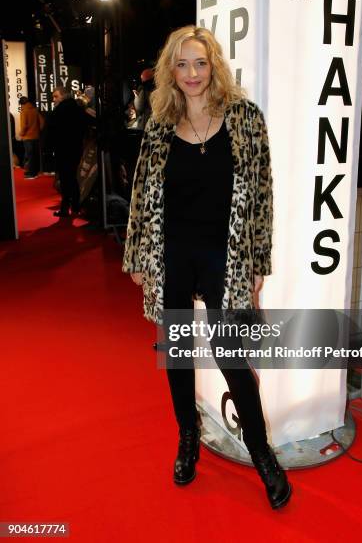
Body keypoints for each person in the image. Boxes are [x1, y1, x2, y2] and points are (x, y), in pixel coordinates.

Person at [122, 26, 292, 510]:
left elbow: (262, 196)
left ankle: (261, 452)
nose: (192, 74)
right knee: (177, 354)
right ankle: (188, 440)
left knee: (232, 358)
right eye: (182, 64)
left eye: (199, 63)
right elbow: (141, 195)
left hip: (225, 255)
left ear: (213, 64)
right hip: (172, 252)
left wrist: (257, 259)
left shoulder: (244, 119)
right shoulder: (158, 124)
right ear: (169, 71)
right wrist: (138, 257)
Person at [48, 86, 87, 217]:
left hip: (62, 150)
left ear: (63, 96)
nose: (53, 100)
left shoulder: (59, 111)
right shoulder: (78, 109)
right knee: (72, 177)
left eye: (55, 96)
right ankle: (75, 206)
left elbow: (51, 132)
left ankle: (65, 208)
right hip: (75, 149)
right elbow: (83, 128)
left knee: (65, 179)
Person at [18, 96, 45, 179]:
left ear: (22, 104)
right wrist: (37, 131)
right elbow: (42, 122)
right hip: (36, 137)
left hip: (27, 137)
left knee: (30, 156)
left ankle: (31, 173)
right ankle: (35, 172)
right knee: (35, 155)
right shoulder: (35, 110)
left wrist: (21, 134)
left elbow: (24, 125)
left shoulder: (23, 111)